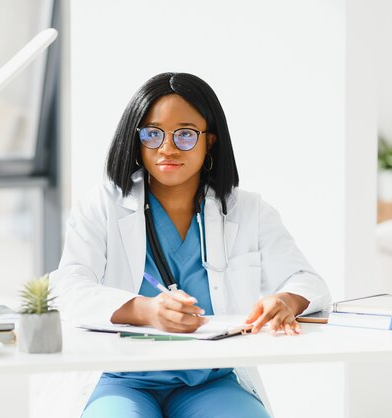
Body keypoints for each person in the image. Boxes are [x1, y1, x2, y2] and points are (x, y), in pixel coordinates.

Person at [50, 72, 331, 418]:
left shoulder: (247, 210)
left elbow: (308, 281)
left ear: (209, 140)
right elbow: (67, 288)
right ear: (137, 139)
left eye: (184, 134)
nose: (166, 148)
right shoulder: (103, 205)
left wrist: (285, 300)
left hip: (212, 380)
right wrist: (145, 310)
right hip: (120, 379)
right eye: (153, 134)